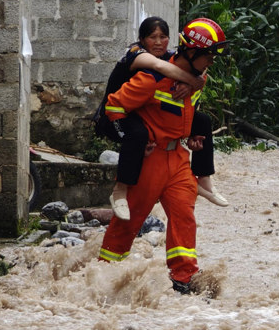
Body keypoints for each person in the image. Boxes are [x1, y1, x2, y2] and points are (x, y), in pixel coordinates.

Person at [98, 17, 230, 294]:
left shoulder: (196, 79)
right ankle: (104, 276)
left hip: (179, 159)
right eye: (209, 55)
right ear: (192, 52)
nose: (212, 62)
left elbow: (190, 110)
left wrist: (192, 136)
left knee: (184, 216)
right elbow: (114, 107)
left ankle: (185, 277)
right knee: (128, 223)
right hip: (150, 160)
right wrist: (131, 138)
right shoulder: (150, 78)